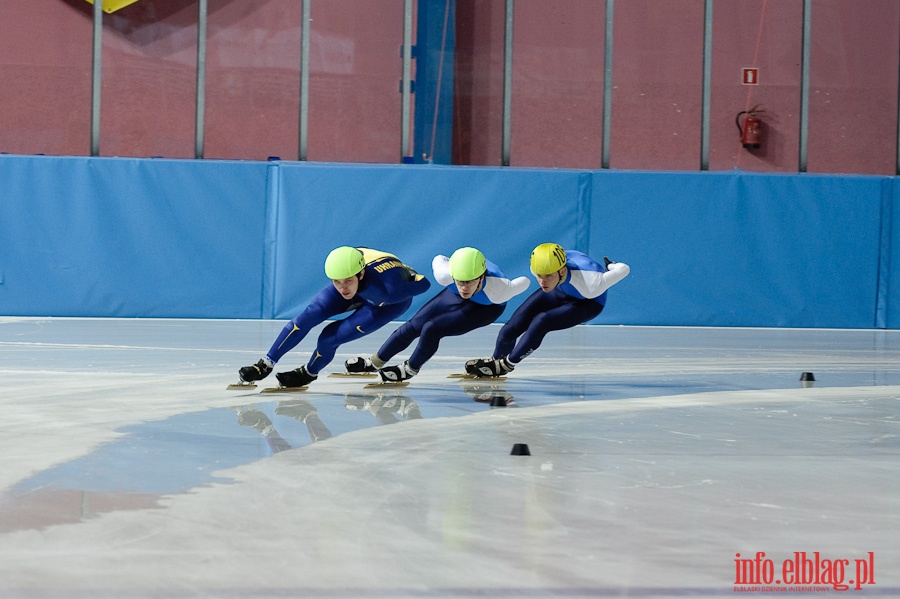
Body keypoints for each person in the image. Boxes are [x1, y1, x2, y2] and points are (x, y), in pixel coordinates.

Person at [238, 246, 430, 388]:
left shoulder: (388, 290)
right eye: (336, 282)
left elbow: (424, 283)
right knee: (308, 316)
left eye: (347, 281)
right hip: (366, 284)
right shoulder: (345, 274)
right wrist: (343, 282)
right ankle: (265, 364)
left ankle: (308, 373)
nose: (342, 288)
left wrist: (411, 277)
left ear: (361, 274)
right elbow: (344, 276)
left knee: (329, 337)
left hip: (386, 304)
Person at [344, 247, 530, 383]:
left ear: (481, 277)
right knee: (413, 325)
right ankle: (375, 362)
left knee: (432, 328)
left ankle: (411, 368)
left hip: (486, 308)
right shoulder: (445, 274)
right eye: (460, 281)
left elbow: (525, 283)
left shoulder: (499, 288)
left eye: (469, 282)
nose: (464, 287)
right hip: (453, 296)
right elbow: (439, 258)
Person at [465, 243, 630, 377]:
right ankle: (495, 363)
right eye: (539, 275)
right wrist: (550, 278)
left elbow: (624, 270)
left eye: (547, 276)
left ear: (562, 270)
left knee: (542, 320)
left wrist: (612, 266)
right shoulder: (545, 268)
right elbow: (546, 275)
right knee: (510, 328)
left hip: (588, 302)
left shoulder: (591, 284)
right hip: (560, 289)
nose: (542, 281)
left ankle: (507, 365)